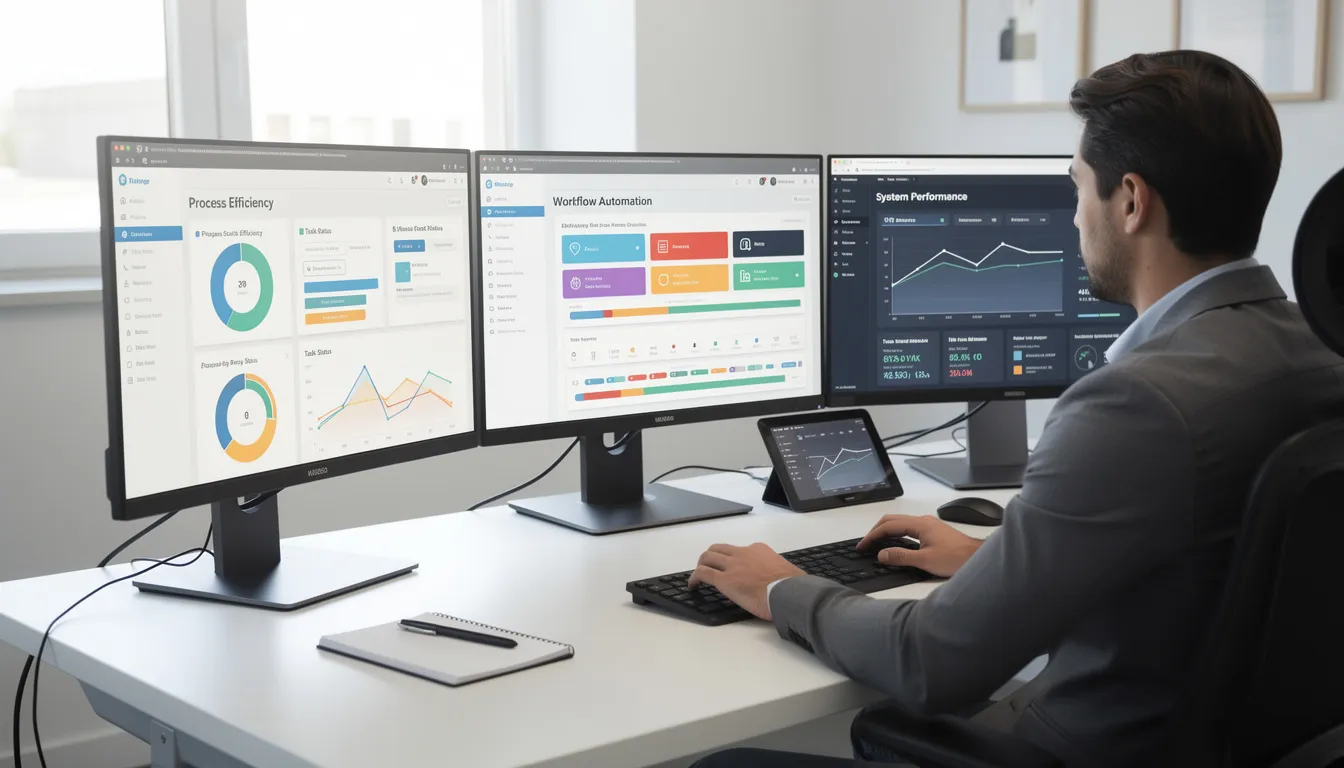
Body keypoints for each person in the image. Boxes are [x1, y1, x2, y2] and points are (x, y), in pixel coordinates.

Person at [690, 50, 1344, 767]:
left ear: (1130, 201)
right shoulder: (1317, 351)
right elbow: (1207, 566)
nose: (1074, 218)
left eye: (1077, 189)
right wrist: (995, 559)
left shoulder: (1134, 404)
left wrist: (782, 586)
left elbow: (931, 664)